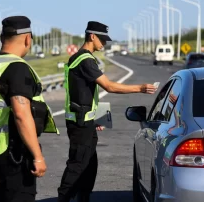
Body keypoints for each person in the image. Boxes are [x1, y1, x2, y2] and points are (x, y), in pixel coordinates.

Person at [57, 21, 158, 202]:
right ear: (92, 36)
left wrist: (96, 117)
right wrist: (140, 88)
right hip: (80, 124)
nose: (104, 43)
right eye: (102, 39)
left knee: (89, 166)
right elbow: (109, 86)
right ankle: (64, 198)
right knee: (78, 166)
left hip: (84, 121)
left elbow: (84, 93)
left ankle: (82, 198)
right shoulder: (85, 60)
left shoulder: (80, 58)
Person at [0, 16, 59, 202]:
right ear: (27, 38)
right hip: (13, 153)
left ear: (2, 38)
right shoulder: (15, 67)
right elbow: (21, 115)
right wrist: (37, 156)